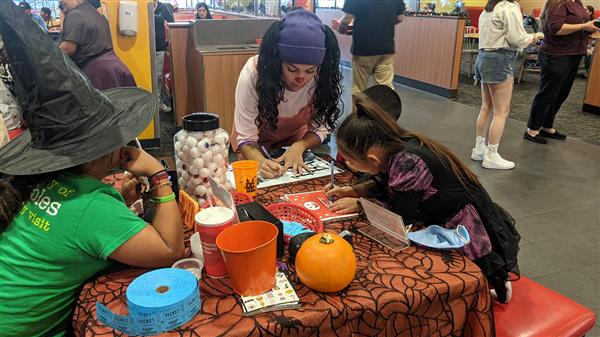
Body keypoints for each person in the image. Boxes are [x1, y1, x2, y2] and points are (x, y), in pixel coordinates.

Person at [0, 2, 184, 336]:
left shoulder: (44, 182)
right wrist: (158, 175)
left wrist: (118, 200)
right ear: (94, 148)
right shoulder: (90, 207)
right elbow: (170, 251)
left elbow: (72, 230)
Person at [326, 93, 521, 304]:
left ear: (372, 158)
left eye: (351, 161)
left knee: (477, 263)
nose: (349, 165)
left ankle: (499, 286)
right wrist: (353, 191)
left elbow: (401, 216)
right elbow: (386, 182)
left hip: (461, 220)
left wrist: (360, 205)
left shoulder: (407, 161)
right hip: (442, 209)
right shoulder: (393, 145)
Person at [232, 9, 342, 178]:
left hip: (296, 138)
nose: (301, 78)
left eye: (310, 71)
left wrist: (300, 146)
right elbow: (246, 136)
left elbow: (321, 127)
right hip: (254, 143)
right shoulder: (254, 73)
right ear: (278, 62)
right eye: (292, 69)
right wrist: (261, 162)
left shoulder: (323, 76)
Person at [471, 0, 539, 169]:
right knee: (501, 111)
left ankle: (479, 149)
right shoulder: (510, 8)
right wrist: (535, 37)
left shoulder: (488, 9)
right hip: (499, 59)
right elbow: (517, 38)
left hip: (483, 57)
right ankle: (491, 155)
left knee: (486, 107)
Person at [524, 0, 599, 144]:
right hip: (557, 54)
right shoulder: (557, 3)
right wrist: (584, 26)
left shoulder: (576, 2)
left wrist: (589, 27)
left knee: (561, 93)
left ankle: (546, 125)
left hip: (573, 54)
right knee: (548, 93)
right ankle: (532, 129)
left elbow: (578, 25)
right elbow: (556, 28)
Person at [59, 0, 136, 90]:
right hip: (114, 68)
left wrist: (49, 53)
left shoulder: (74, 14)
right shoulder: (93, 12)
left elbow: (68, 48)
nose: (61, 1)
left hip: (99, 74)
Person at [338, 0, 405, 96]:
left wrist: (341, 27)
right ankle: (384, 110)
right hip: (386, 49)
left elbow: (347, 19)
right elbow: (399, 18)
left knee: (359, 89)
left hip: (363, 48)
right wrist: (382, 25)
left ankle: (359, 111)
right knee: (385, 88)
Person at [154, 0, 174, 112]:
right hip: (145, 47)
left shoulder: (163, 8)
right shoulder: (143, 6)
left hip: (159, 48)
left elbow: (172, 24)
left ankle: (157, 104)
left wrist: (168, 44)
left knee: (158, 77)